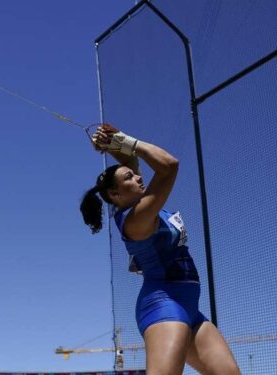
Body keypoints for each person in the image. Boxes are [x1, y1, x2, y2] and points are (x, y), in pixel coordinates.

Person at [80, 124, 240, 375]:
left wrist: (110, 141)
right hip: (163, 304)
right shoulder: (135, 219)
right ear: (115, 194)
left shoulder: (141, 204)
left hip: (188, 305)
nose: (138, 176)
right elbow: (168, 166)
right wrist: (125, 140)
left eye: (134, 174)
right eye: (129, 178)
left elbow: (129, 158)